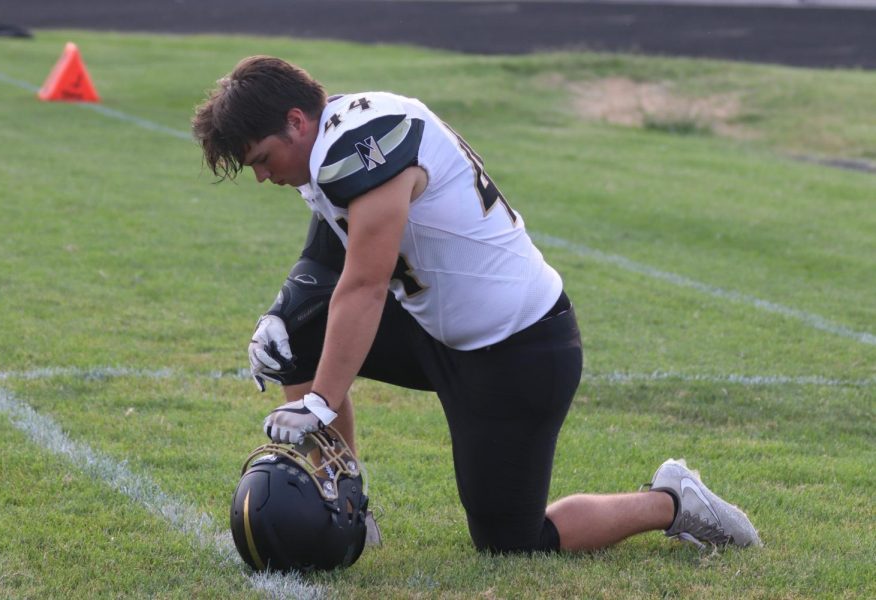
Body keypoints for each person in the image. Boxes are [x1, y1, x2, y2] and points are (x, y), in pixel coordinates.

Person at [191, 56, 760, 553]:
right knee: (297, 334)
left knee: (512, 540)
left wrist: (320, 401)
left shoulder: (361, 146)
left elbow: (364, 283)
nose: (264, 176)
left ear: (296, 121)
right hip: (439, 330)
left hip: (519, 350)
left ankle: (673, 501)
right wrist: (280, 314)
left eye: (263, 158)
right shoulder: (334, 137)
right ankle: (346, 506)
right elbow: (325, 256)